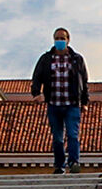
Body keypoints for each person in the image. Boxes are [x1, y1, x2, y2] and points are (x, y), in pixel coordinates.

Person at [30, 26, 88, 173]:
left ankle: (74, 162)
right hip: (54, 104)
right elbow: (37, 76)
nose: (60, 41)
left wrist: (85, 101)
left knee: (72, 135)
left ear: (68, 40)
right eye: (57, 38)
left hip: (72, 104)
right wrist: (36, 93)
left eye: (62, 38)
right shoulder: (46, 59)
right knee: (57, 137)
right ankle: (59, 165)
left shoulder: (76, 59)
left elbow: (84, 81)